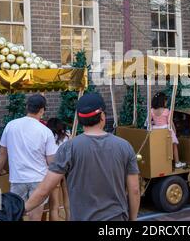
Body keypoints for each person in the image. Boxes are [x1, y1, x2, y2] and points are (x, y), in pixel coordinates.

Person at [24, 93, 141, 221]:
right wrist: (132, 219)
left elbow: (44, 190)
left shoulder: (68, 148)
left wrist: (20, 209)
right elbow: (134, 190)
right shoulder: (125, 146)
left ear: (79, 120)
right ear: (102, 116)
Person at [0, 94, 58, 221]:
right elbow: (51, 161)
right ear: (42, 110)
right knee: (35, 217)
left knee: (15, 214)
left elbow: (2, 153)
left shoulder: (11, 126)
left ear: (27, 107)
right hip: (39, 179)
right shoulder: (45, 131)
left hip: (17, 178)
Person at [151, 92, 185, 169]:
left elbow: (149, 121)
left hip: (156, 130)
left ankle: (159, 162)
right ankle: (177, 162)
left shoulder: (152, 110)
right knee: (174, 145)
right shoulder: (166, 111)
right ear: (162, 101)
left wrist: (154, 122)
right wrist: (174, 130)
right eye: (166, 101)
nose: (166, 102)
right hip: (166, 129)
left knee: (160, 147)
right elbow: (170, 122)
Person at [46, 118, 70, 221]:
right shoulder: (67, 137)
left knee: (54, 205)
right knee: (68, 200)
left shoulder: (47, 137)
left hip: (53, 170)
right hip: (67, 170)